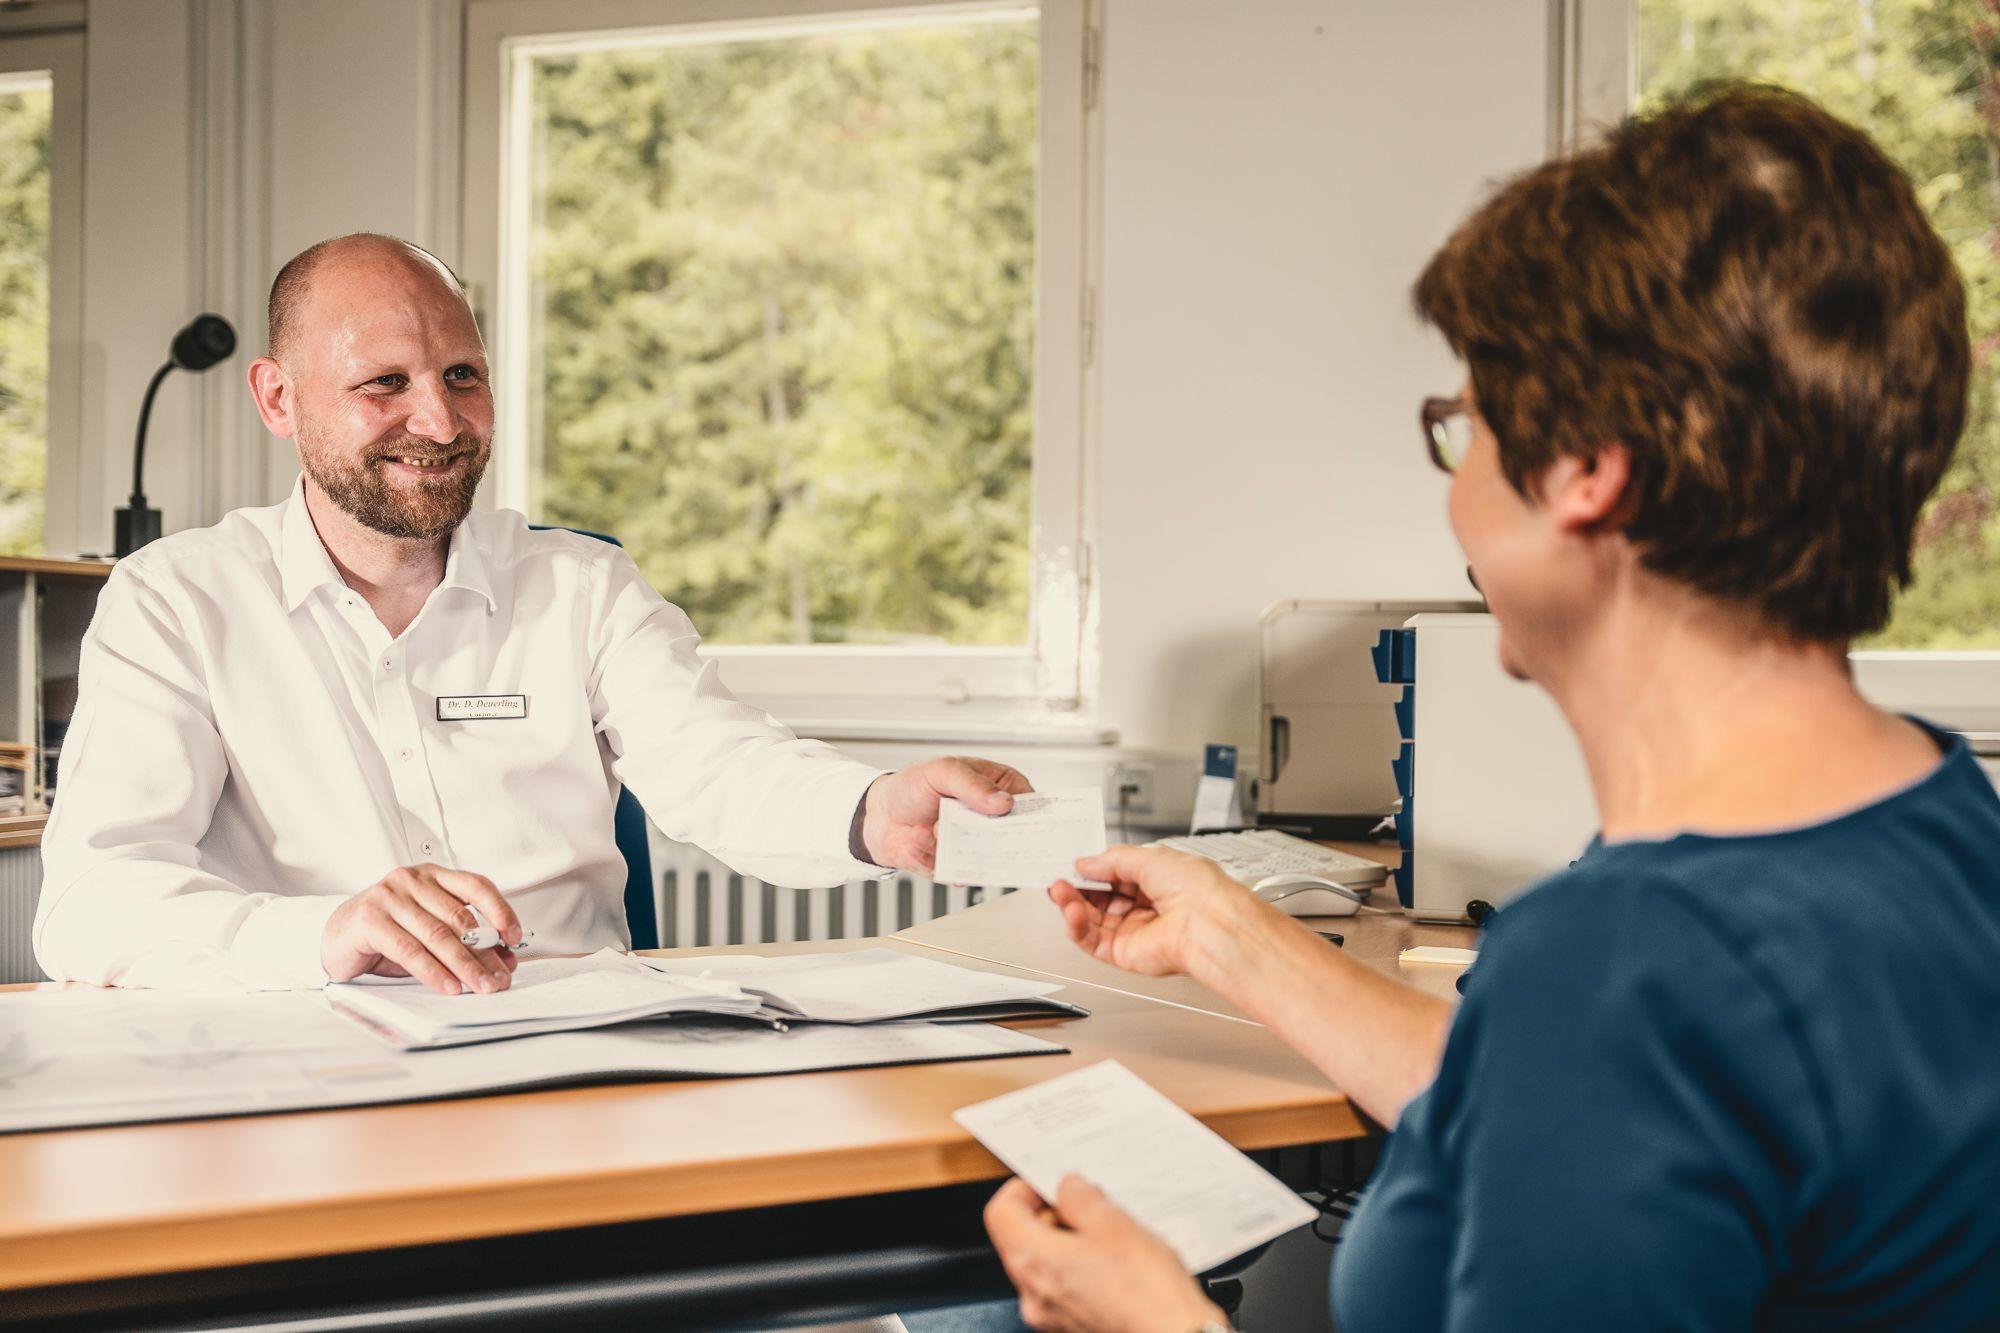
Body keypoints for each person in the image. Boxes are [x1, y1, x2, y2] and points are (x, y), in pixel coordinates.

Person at [978, 87, 2000, 1331]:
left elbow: (1620, 1060)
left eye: (1461, 425)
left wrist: (1164, 1325)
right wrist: (1229, 937)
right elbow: (1587, 1103)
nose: (1456, 490)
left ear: (1582, 473)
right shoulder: (1940, 824)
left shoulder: (1628, 958)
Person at [34, 233, 1028, 994]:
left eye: (461, 375)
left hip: (576, 1060)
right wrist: (329, 931)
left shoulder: (580, 584)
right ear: (277, 398)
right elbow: (91, 904)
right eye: (386, 383)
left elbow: (719, 766)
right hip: (300, 1070)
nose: (439, 420)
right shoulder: (174, 599)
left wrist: (870, 811)